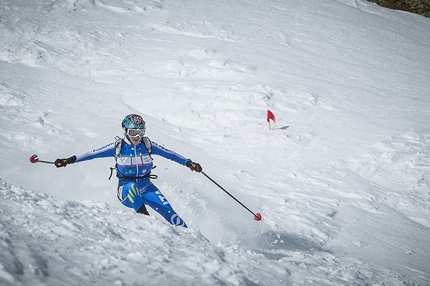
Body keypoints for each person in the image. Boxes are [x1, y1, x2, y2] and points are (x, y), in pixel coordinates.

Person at [54, 114, 202, 228]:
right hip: (125, 188)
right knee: (132, 189)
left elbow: (169, 153)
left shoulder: (148, 144)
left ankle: (193, 241)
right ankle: (150, 226)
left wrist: (188, 163)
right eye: (133, 132)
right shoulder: (118, 147)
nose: (137, 137)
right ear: (125, 131)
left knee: (171, 214)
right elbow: (92, 153)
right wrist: (69, 160)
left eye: (141, 132)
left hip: (147, 186)